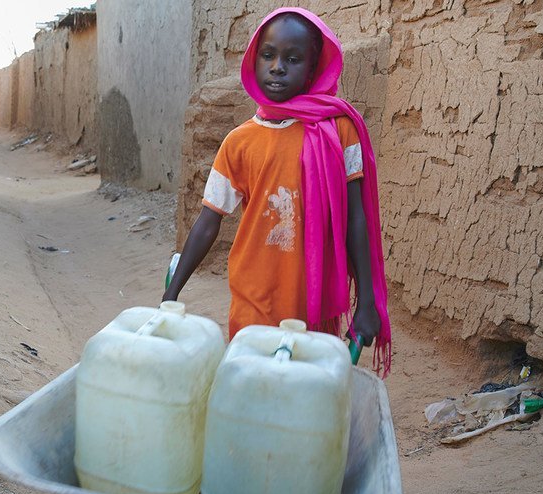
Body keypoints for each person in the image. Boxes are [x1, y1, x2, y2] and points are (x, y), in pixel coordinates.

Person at [162, 7, 393, 377]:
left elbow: (355, 220)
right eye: (268, 55)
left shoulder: (339, 132)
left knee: (304, 393)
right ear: (255, 59)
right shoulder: (239, 143)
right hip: (254, 299)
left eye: (292, 59)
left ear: (314, 66)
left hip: (312, 305)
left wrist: (368, 301)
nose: (277, 67)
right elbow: (209, 221)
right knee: (252, 390)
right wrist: (171, 294)